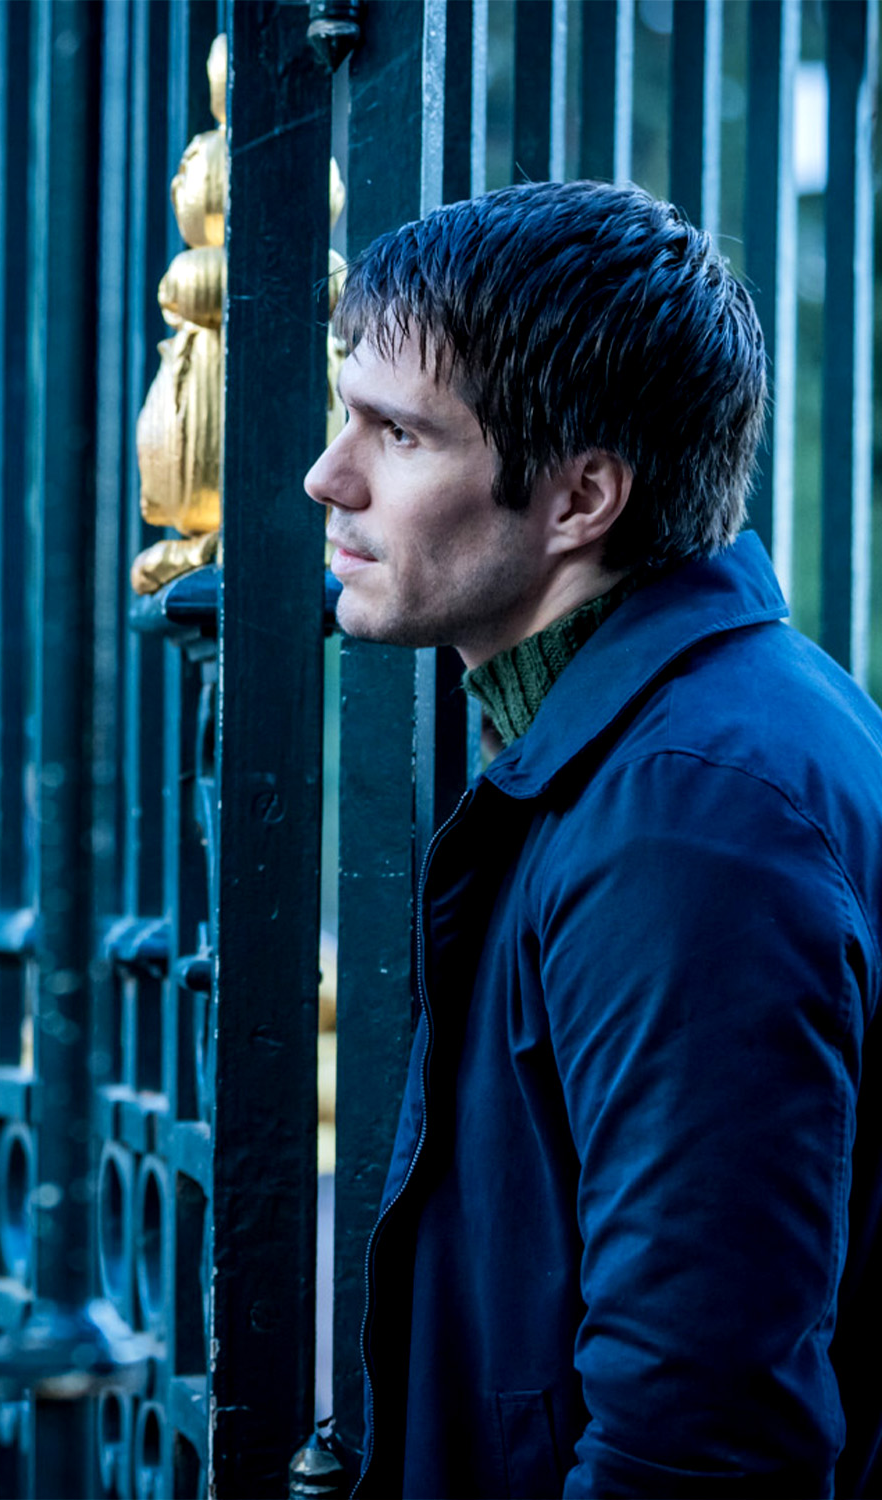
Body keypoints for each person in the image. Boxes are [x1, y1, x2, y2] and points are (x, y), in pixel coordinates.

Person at [308, 179, 882, 1498]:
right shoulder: (664, 747)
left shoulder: (696, 813)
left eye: (395, 433)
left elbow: (701, 1439)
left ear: (580, 500)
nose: (326, 477)